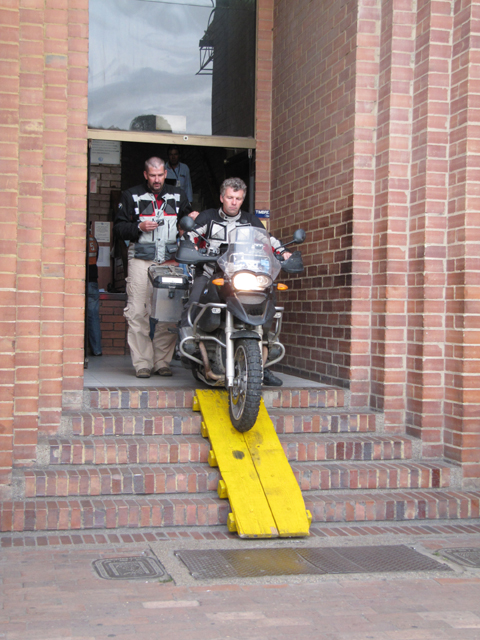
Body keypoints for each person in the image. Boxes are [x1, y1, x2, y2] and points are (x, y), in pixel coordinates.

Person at [179, 177, 291, 387]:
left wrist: (284, 253)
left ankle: (263, 365)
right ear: (222, 197)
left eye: (238, 198)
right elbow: (191, 235)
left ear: (243, 199)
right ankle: (188, 343)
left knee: (268, 298)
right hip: (213, 271)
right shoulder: (209, 217)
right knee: (194, 299)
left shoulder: (251, 221)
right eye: (230, 197)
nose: (233, 202)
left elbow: (268, 240)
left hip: (243, 276)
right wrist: (190, 247)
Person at [114, 157, 195, 378]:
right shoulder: (130, 195)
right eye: (153, 176)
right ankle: (142, 363)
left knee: (169, 314)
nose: (157, 180)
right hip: (141, 258)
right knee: (138, 311)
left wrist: (191, 221)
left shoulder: (178, 195)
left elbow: (188, 224)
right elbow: (119, 228)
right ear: (145, 175)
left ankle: (162, 361)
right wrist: (138, 227)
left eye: (161, 175)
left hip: (170, 261)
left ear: (165, 173)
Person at [87, 226, 102, 356]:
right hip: (93, 281)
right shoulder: (93, 240)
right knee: (93, 317)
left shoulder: (79, 239)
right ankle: (97, 350)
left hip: (80, 281)